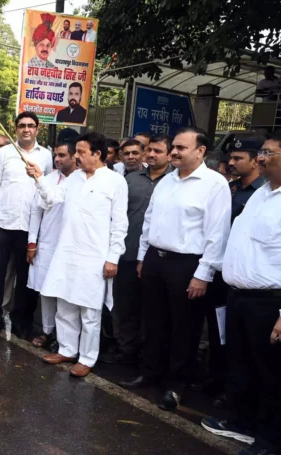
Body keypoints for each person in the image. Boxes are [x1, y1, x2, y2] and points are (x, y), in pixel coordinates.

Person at [201, 130, 281, 455]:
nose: (260, 158)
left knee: (274, 375)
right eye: (260, 152)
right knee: (240, 364)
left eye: (268, 153)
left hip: (273, 301)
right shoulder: (263, 193)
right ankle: (243, 422)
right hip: (240, 296)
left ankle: (271, 444)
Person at [120, 127, 231, 412]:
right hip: (156, 260)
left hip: (187, 265)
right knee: (154, 321)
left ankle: (175, 383)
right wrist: (144, 257)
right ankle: (150, 371)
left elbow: (217, 234)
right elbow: (149, 222)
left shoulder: (214, 184)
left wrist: (203, 274)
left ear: (201, 151)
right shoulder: (168, 181)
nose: (175, 153)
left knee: (184, 326)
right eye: (175, 148)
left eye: (181, 148)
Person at [25, 132, 128, 377]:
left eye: (81, 152)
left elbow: (119, 224)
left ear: (97, 154)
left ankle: (87, 358)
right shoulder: (73, 179)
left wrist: (113, 257)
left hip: (95, 256)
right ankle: (67, 349)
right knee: (65, 305)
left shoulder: (115, 182)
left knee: (90, 311)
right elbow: (52, 199)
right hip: (67, 252)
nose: (77, 157)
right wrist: (40, 178)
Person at [197, 135, 266, 408]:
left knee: (239, 341)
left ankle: (232, 387)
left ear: (255, 160)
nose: (232, 163)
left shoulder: (262, 193)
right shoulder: (231, 189)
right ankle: (215, 378)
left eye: (239, 159)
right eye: (231, 159)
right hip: (221, 272)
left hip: (249, 278)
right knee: (218, 331)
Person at [101, 135, 173, 365]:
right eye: (149, 151)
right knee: (126, 305)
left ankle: (151, 354)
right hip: (128, 253)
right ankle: (126, 350)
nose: (150, 155)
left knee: (154, 309)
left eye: (156, 151)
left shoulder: (175, 181)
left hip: (159, 257)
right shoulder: (129, 180)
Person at [0, 112, 53, 341]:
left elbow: (48, 190)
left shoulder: (46, 156)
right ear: (16, 129)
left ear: (37, 129)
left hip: (29, 227)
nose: (26, 129)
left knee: (25, 277)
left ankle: (22, 321)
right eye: (22, 126)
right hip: (2, 222)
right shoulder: (5, 153)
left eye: (31, 126)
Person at [27, 140, 79, 350]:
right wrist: (32, 242)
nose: (57, 159)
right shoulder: (47, 179)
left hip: (72, 245)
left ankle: (65, 337)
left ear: (75, 156)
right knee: (46, 291)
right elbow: (35, 211)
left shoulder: (82, 181)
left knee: (67, 293)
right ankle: (47, 331)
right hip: (47, 243)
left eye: (62, 155)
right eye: (55, 155)